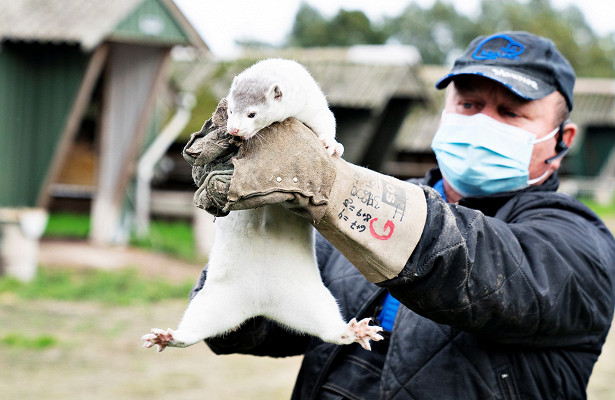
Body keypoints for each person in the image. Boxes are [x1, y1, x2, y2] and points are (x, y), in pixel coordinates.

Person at [185, 31, 615, 399]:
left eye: (510, 112)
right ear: (445, 111)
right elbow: (267, 327)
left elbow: (478, 263)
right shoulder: (349, 219)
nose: (483, 122)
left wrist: (332, 187)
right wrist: (244, 241)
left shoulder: (581, 245)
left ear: (563, 141)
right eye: (468, 104)